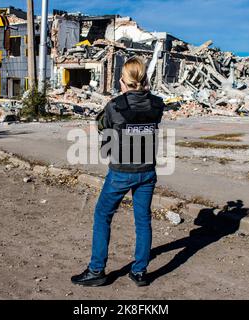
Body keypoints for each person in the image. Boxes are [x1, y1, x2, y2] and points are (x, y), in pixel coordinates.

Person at [71, 56, 165, 287]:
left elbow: (102, 124)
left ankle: (96, 271)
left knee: (103, 216)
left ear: (124, 81)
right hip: (147, 171)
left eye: (121, 79)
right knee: (143, 221)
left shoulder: (115, 106)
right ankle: (140, 272)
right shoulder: (157, 104)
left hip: (122, 171)